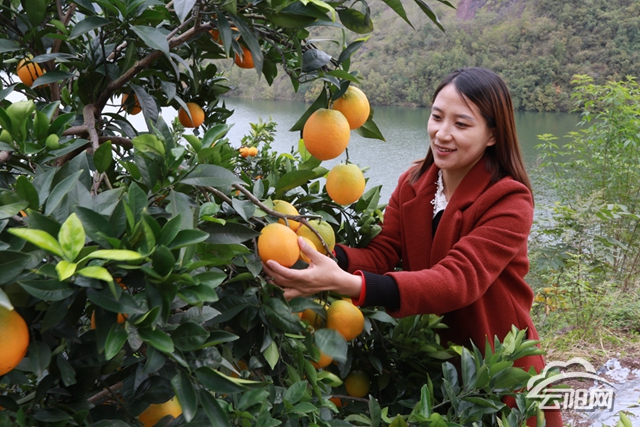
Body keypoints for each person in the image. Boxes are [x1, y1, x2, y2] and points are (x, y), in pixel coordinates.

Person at [263, 67, 562, 426]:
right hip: (434, 366)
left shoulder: (509, 199)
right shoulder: (413, 184)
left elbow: (457, 279)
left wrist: (353, 285)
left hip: (498, 368)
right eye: (437, 117)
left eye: (461, 124)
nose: (442, 133)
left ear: (493, 135)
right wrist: (317, 254)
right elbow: (383, 253)